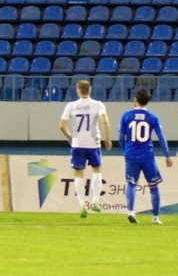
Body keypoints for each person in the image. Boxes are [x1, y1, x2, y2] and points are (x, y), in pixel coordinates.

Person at [58, 80, 111, 218]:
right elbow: (105, 121)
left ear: (78, 90)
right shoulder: (98, 104)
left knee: (78, 174)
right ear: (90, 89)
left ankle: (82, 205)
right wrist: (108, 139)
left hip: (78, 143)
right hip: (93, 143)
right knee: (97, 170)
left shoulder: (71, 105)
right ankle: (96, 202)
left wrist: (69, 136)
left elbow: (62, 126)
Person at [120, 89, 173, 224]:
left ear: (136, 99)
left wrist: (125, 151)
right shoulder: (152, 117)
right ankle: (156, 217)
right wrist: (167, 155)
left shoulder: (126, 116)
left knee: (131, 183)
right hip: (147, 156)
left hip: (131, 155)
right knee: (154, 186)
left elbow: (121, 137)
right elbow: (161, 136)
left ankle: (131, 212)